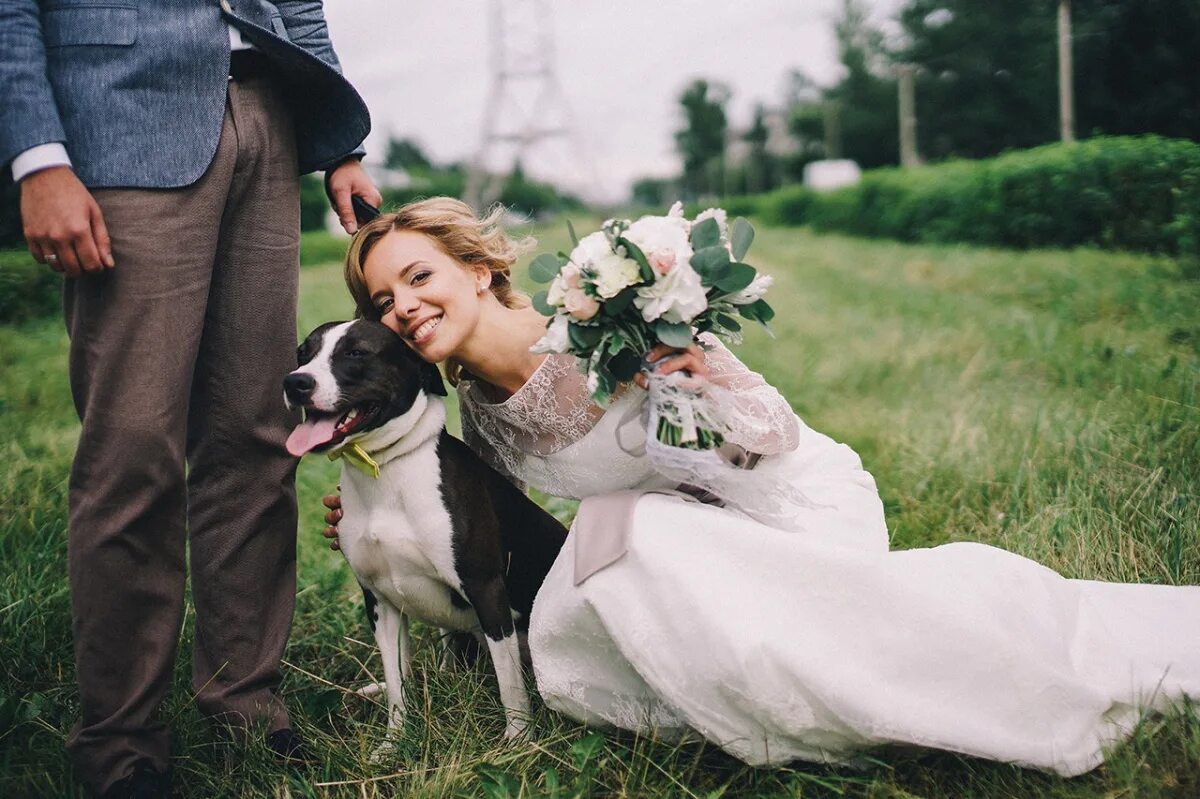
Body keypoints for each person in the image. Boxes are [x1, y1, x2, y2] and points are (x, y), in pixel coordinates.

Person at [324, 197, 1200, 777]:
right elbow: (491, 534)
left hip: (786, 501)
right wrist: (375, 515)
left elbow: (773, 433)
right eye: (382, 296)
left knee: (640, 529)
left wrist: (703, 377)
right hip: (681, 536)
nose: (401, 304)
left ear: (477, 270)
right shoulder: (476, 413)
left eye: (418, 276)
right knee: (600, 566)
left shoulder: (592, 325)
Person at [0, 2, 381, 796]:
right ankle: (122, 743)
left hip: (266, 115)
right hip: (120, 124)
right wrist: (37, 155)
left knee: (256, 435)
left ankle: (246, 701)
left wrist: (339, 142)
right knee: (133, 446)